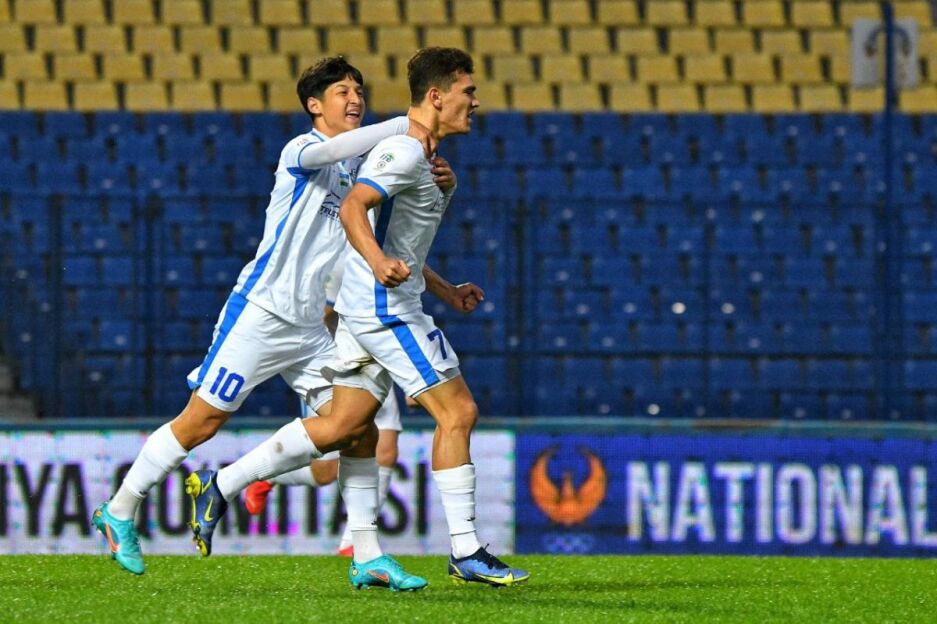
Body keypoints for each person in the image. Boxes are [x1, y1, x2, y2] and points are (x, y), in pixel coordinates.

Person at [90, 58, 433, 585]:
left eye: (359, 91)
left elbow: (373, 245)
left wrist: (431, 182)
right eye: (342, 91)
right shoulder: (301, 151)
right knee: (201, 422)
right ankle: (119, 510)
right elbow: (336, 150)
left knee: (357, 428)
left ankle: (366, 555)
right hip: (262, 313)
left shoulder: (355, 175)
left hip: (311, 329)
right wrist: (405, 124)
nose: (355, 99)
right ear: (314, 104)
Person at [194, 47, 528, 588]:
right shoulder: (402, 150)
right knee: (458, 411)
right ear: (436, 96)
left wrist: (445, 289)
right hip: (384, 307)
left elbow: (401, 245)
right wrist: (377, 264)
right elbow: (354, 209)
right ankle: (466, 551)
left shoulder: (427, 160)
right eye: (468, 91)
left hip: (366, 305)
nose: (475, 101)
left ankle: (224, 484)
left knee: (346, 427)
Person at [244, 256, 402, 557]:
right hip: (336, 363)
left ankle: (353, 543)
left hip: (377, 358)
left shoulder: (392, 249)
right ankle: (267, 475)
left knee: (386, 449)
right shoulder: (339, 258)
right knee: (326, 470)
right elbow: (317, 316)